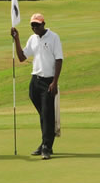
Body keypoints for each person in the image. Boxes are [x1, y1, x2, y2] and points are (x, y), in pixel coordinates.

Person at [11, 13, 63, 160]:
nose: (34, 28)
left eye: (37, 25)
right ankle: (45, 142)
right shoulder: (33, 39)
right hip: (35, 81)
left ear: (43, 24)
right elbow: (22, 57)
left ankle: (46, 146)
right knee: (44, 115)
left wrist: (55, 81)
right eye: (32, 25)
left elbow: (59, 60)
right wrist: (16, 39)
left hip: (48, 81)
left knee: (46, 114)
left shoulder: (54, 37)